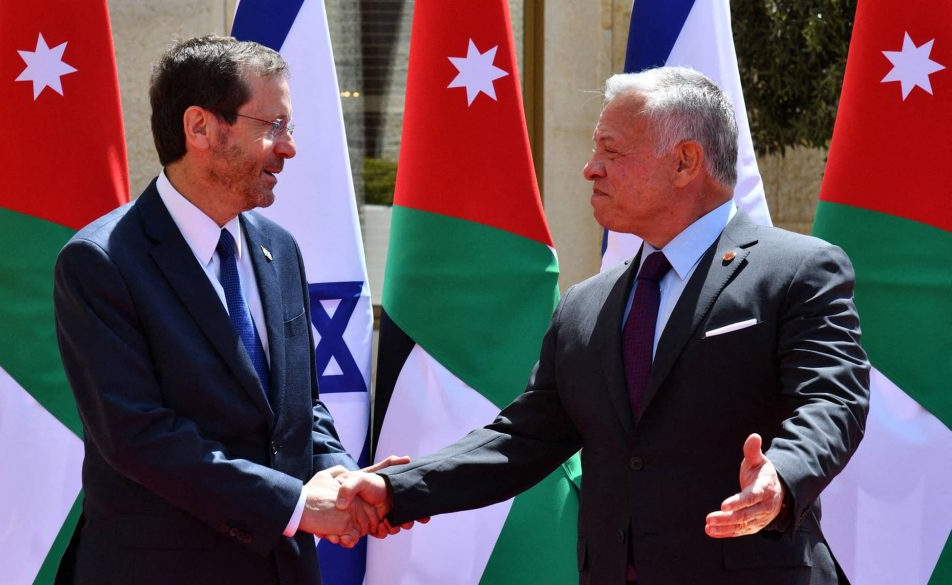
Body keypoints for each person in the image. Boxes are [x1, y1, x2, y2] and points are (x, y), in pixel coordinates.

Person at [337, 67, 870, 585]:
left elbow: (832, 401)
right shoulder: (585, 305)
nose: (591, 168)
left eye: (612, 151)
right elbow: (522, 439)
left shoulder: (797, 270)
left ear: (686, 161)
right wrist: (394, 488)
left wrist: (781, 475)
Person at [53, 35, 399, 585]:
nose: (289, 148)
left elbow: (300, 408)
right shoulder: (101, 262)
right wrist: (296, 505)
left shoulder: (278, 248)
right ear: (200, 128)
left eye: (290, 128)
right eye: (273, 126)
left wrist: (338, 478)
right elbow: (139, 436)